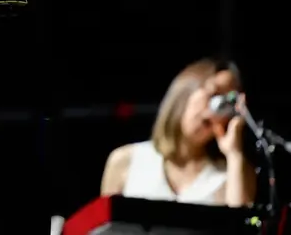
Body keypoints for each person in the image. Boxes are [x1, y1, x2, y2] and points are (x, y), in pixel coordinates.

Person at [100, 57, 257, 207]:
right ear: (186, 91)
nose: (216, 110)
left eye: (227, 104)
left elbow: (240, 222)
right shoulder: (127, 161)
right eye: (214, 94)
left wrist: (234, 154)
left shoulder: (232, 173)